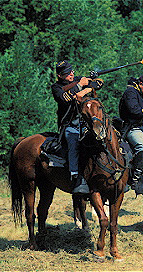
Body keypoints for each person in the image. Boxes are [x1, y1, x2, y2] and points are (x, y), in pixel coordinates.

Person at [51, 60, 103, 194]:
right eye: (67, 73)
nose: (71, 74)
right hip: (69, 124)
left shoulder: (78, 80)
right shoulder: (56, 88)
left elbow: (99, 83)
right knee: (73, 143)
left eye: (71, 71)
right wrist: (80, 86)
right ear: (60, 76)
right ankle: (75, 174)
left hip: (84, 123)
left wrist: (88, 87)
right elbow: (65, 98)